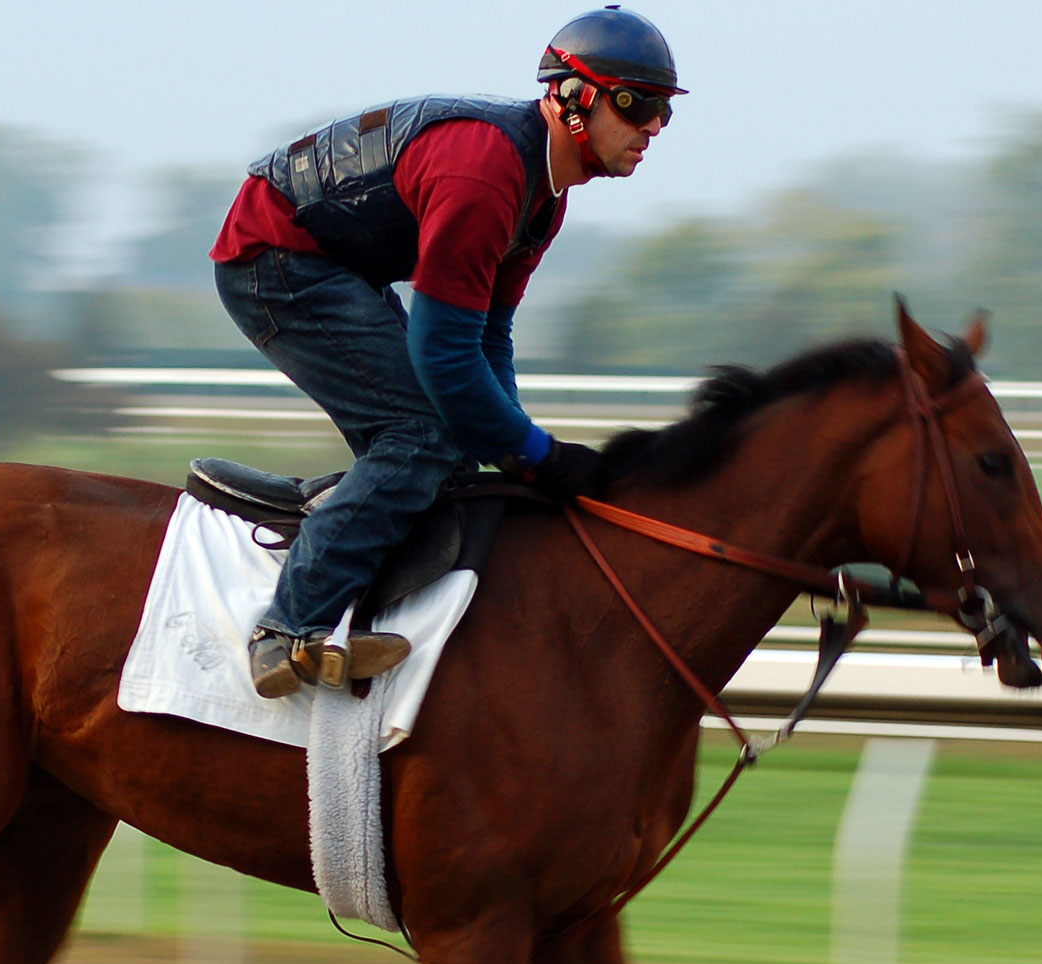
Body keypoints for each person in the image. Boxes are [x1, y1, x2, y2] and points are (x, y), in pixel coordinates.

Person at [210, 7, 685, 697]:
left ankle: (364, 588)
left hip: (335, 267)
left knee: (457, 454)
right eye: (637, 104)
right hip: (272, 259)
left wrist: (524, 455)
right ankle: (286, 629)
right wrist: (539, 456)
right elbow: (443, 355)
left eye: (665, 112)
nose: (652, 128)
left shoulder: (544, 197)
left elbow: (488, 336)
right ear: (573, 99)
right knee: (420, 435)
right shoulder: (489, 174)